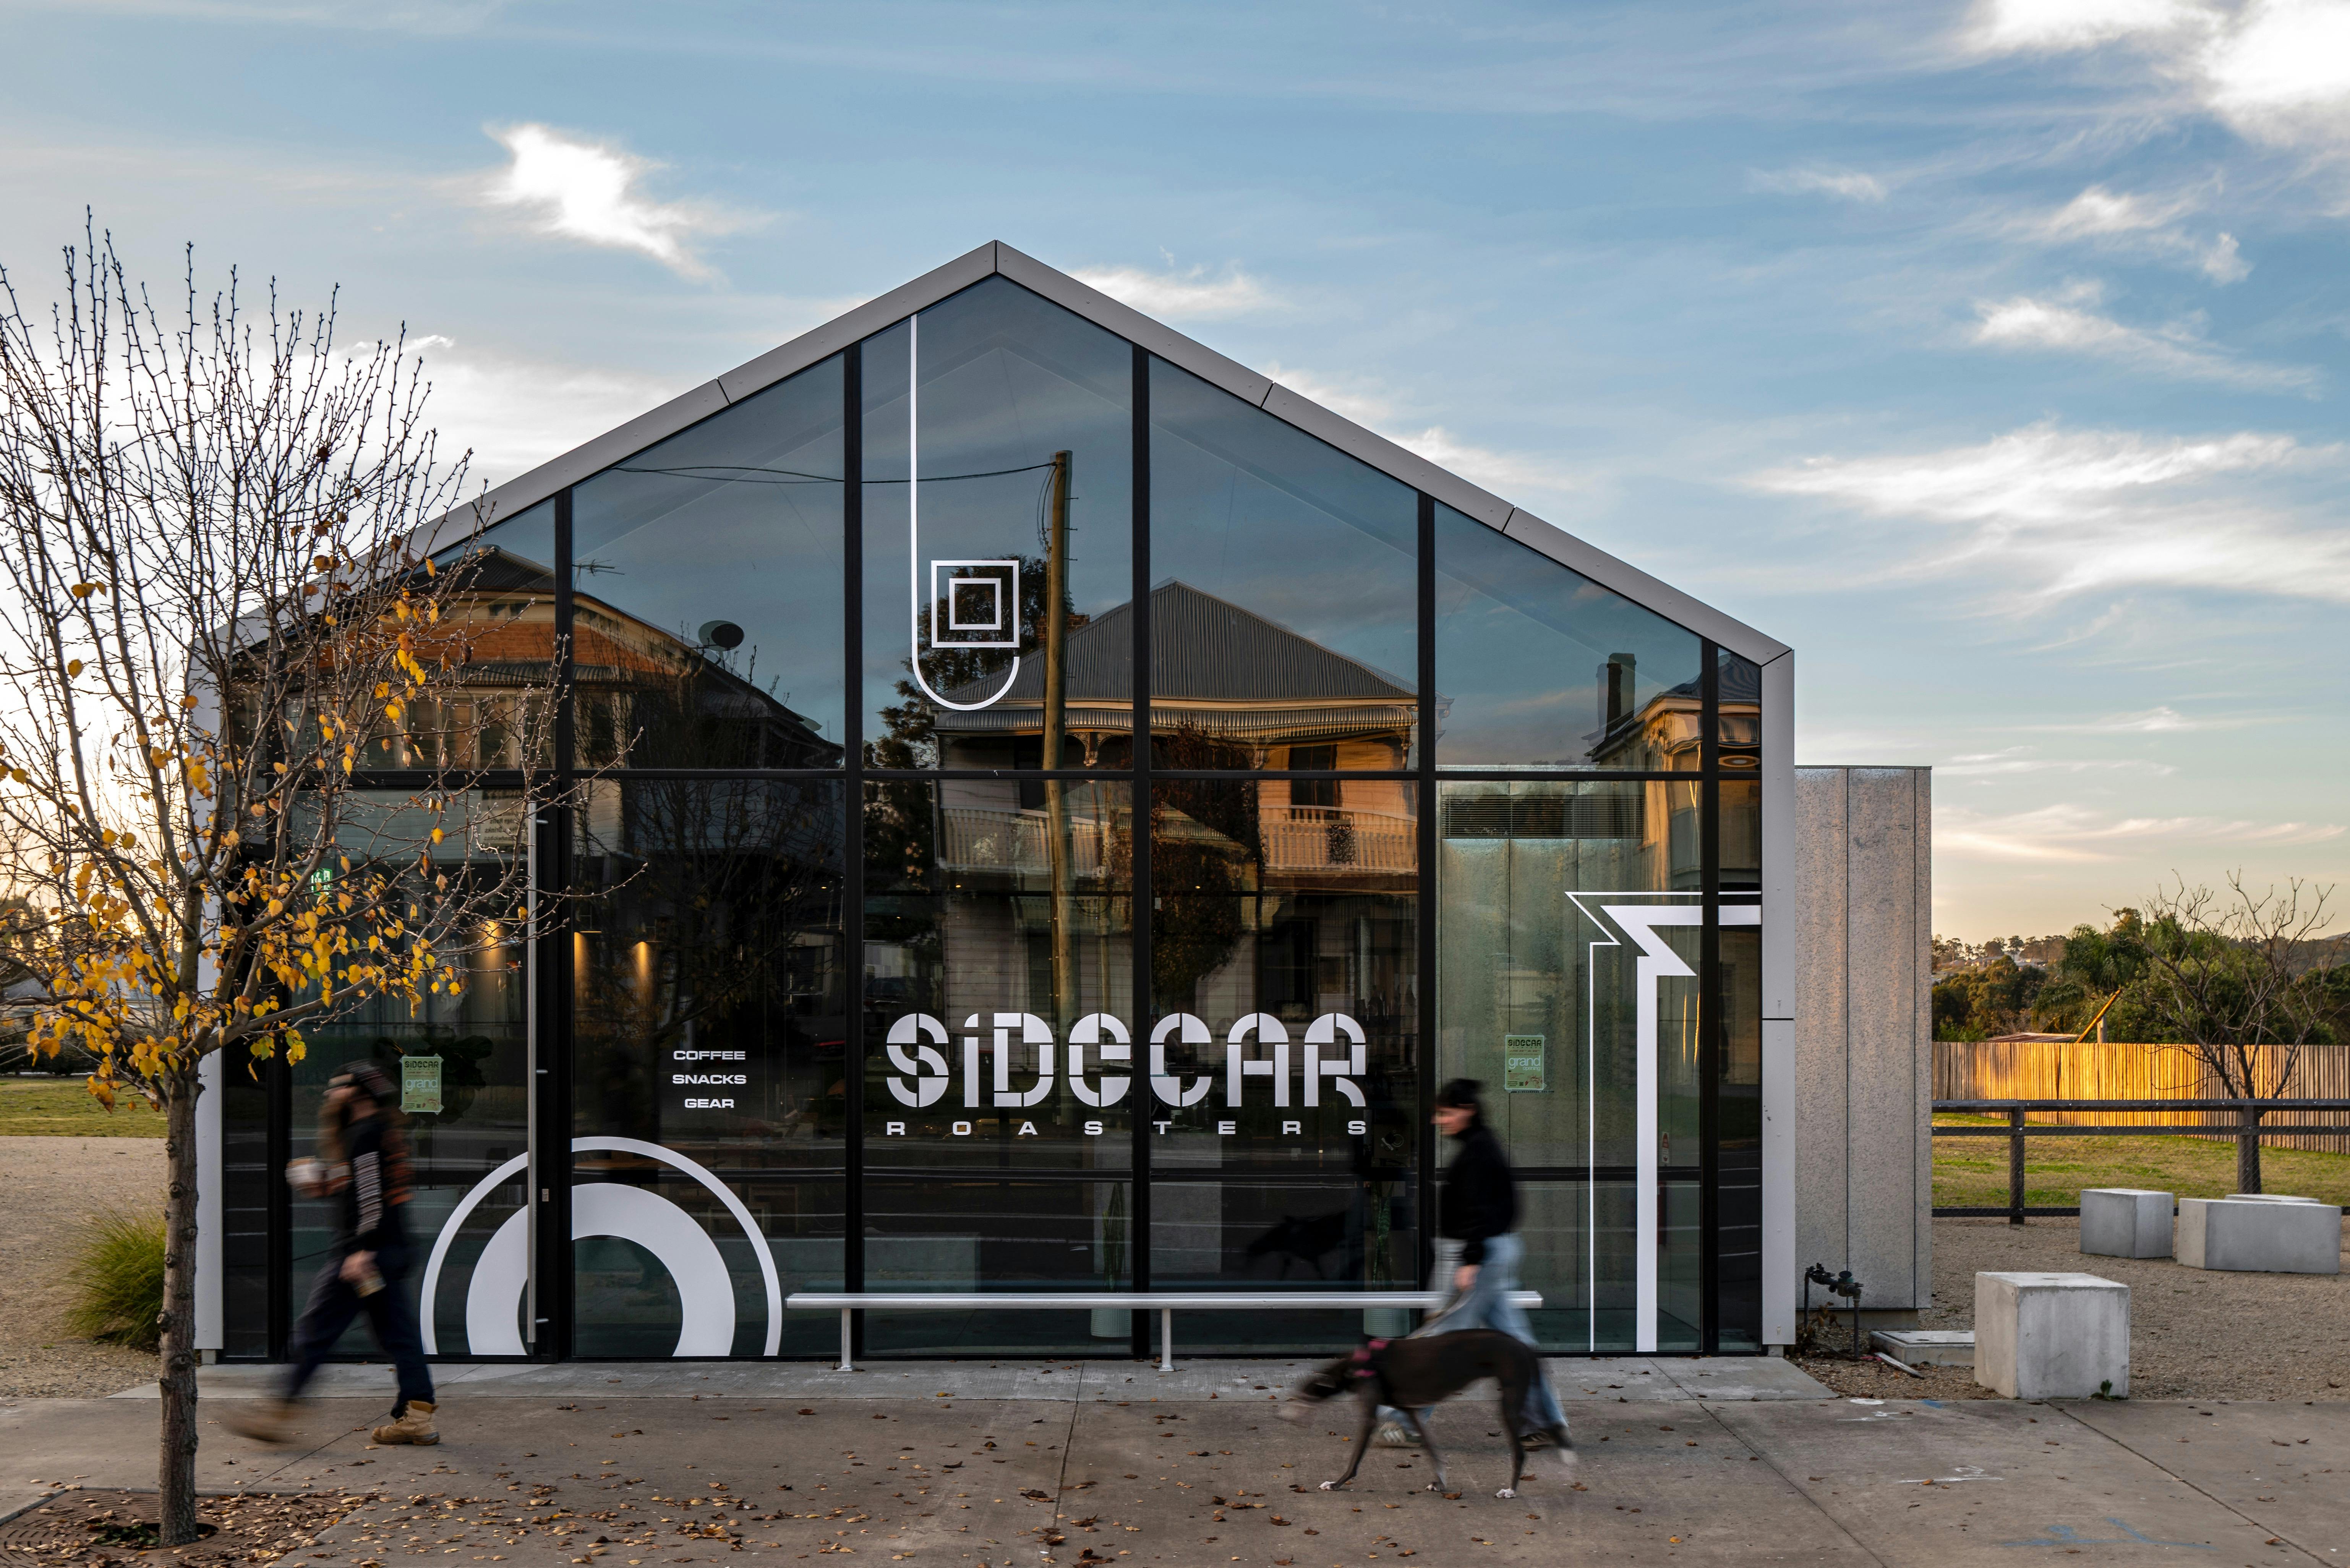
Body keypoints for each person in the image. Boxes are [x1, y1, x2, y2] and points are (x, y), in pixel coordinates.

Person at [224, 1062, 440, 1446]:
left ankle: (278, 1412)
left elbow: (372, 1201)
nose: (329, 1093)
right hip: (387, 1252)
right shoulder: (378, 1133)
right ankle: (417, 1418)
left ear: (359, 1092)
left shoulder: (366, 1134)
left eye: (337, 1086)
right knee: (399, 1335)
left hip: (363, 1257)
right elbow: (366, 1191)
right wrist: (323, 1182)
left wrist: (360, 1251)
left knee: (315, 1331)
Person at [1375, 1078, 1569, 1448]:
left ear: (1468, 1111)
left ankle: (1405, 1420)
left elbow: (1482, 1210)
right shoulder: (1481, 1146)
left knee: (1443, 1341)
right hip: (1490, 1253)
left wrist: (1471, 1259)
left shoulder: (1479, 1151)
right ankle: (1545, 1422)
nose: (1438, 1120)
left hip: (1474, 1256)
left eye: (1445, 1113)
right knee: (1516, 1342)